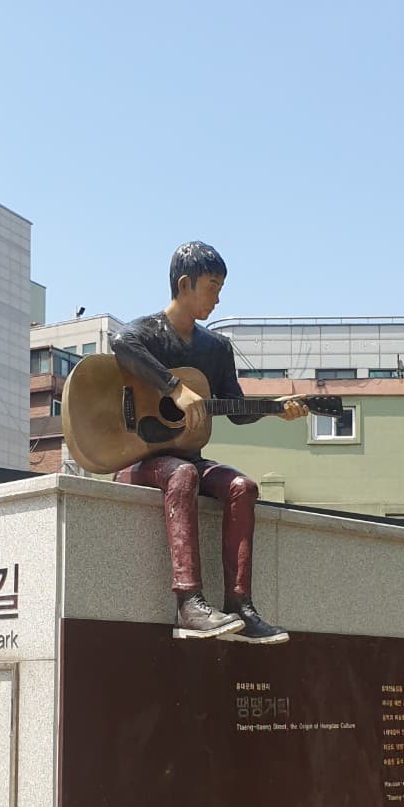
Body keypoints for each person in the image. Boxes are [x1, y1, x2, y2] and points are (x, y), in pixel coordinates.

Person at [110, 241, 307, 643]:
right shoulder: (145, 333)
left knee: (242, 487)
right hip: (138, 459)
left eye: (221, 288)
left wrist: (275, 409)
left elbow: (234, 408)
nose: (218, 298)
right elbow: (121, 345)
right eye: (212, 286)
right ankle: (188, 602)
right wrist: (174, 388)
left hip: (188, 457)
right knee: (182, 475)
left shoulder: (215, 348)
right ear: (185, 284)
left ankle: (240, 605)